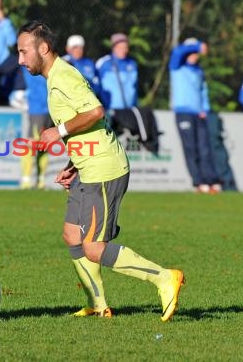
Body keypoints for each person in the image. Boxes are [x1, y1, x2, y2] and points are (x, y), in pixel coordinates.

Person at [17, 20, 184, 321]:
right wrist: (72, 164)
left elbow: (95, 111)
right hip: (86, 166)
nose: (20, 59)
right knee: (71, 235)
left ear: (43, 48)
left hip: (104, 170)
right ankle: (97, 303)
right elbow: (88, 126)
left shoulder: (64, 76)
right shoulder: (55, 77)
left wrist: (58, 131)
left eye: (23, 51)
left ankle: (163, 277)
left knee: (93, 247)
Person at [169, 38, 220, 193]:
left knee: (204, 148)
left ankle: (210, 181)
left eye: (196, 53)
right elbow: (177, 51)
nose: (194, 55)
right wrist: (197, 46)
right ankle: (198, 183)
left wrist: (205, 108)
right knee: (191, 148)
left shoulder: (198, 70)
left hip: (199, 114)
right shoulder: (177, 66)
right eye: (191, 52)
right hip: (183, 113)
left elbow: (203, 91)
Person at [19, 71, 52, 190]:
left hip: (49, 109)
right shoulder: (30, 65)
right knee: (31, 143)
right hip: (37, 109)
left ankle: (40, 180)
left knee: (44, 144)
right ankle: (26, 180)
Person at [96, 33, 138, 110]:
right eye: (121, 47)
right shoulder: (103, 63)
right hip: (110, 111)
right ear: (114, 47)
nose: (124, 50)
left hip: (129, 110)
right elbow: (96, 87)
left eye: (126, 47)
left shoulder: (132, 63)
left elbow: (135, 87)